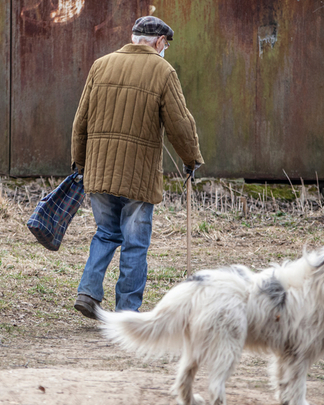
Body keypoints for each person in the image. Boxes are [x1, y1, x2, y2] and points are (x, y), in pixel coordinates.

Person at [71, 16, 204, 319]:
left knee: (105, 232)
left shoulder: (101, 65)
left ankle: (88, 292)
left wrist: (80, 164)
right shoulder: (163, 70)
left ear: (133, 38)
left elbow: (81, 121)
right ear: (159, 42)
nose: (165, 49)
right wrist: (191, 159)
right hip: (138, 177)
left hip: (100, 171)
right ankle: (126, 312)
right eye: (165, 45)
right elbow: (179, 124)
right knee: (134, 244)